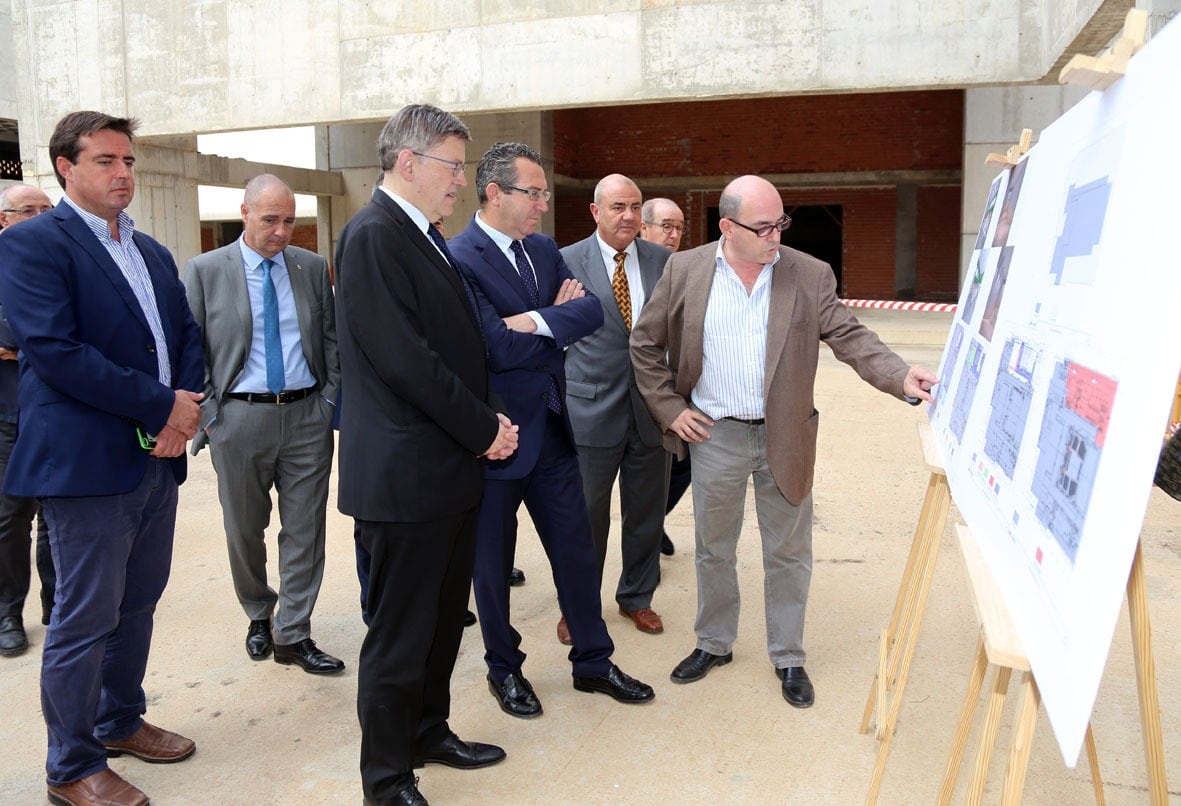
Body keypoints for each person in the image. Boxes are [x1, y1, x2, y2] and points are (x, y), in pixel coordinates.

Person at [630, 175, 937, 709]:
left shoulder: (808, 274)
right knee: (713, 549)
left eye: (781, 223)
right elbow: (645, 342)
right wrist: (670, 408)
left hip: (786, 433)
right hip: (715, 433)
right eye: (764, 226)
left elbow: (850, 336)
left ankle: (788, 655)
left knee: (789, 553)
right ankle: (714, 642)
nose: (776, 235)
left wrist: (899, 376)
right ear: (728, 227)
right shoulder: (686, 270)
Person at [0, 111, 205, 806]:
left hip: (156, 461)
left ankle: (119, 721)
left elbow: (184, 333)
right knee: (84, 620)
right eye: (107, 161)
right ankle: (71, 765)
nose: (124, 174)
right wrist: (160, 406)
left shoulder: (150, 252)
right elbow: (55, 353)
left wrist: (184, 409)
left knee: (137, 605)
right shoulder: (33, 244)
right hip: (85, 467)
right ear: (66, 166)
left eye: (129, 162)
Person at [334, 104, 518, 806]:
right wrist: (483, 428)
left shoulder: (423, 235)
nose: (462, 183)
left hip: (445, 472)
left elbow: (450, 346)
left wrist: (479, 424)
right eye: (452, 167)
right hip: (405, 480)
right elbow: (406, 361)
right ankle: (385, 778)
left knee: (443, 621)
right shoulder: (374, 237)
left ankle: (426, 732)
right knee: (399, 636)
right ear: (406, 162)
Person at [449, 143, 655, 720]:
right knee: (492, 566)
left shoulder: (541, 249)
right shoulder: (459, 257)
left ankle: (593, 661)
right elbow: (494, 345)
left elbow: (590, 313)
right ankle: (504, 670)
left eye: (543, 193)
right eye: (533, 193)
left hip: (555, 432)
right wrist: (552, 324)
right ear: (494, 193)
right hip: (495, 439)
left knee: (576, 551)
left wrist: (536, 322)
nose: (543, 204)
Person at [183, 175, 343, 675]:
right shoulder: (205, 270)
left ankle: (294, 632)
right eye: (270, 218)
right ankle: (259, 611)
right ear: (245, 211)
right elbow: (190, 351)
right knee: (244, 529)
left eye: (289, 219)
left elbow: (332, 339)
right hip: (239, 417)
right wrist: (212, 414)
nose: (281, 231)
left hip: (305, 416)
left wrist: (328, 400)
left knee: (305, 529)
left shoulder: (311, 267)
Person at [560, 174, 671, 641]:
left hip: (651, 411)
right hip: (590, 412)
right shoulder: (563, 261)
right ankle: (578, 606)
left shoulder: (666, 262)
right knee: (585, 517)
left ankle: (637, 598)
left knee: (646, 514)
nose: (628, 215)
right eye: (618, 206)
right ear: (596, 211)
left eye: (635, 207)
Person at [0, 184, 56, 657]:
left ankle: (57, 606)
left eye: (45, 209)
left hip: (58, 413)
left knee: (57, 517)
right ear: (4, 219)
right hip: (6, 415)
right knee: (10, 518)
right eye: (26, 211)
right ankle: (6, 612)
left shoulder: (61, 264)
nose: (38, 217)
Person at [638, 197, 688, 557]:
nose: (673, 235)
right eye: (666, 226)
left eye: (679, 228)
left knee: (684, 465)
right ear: (644, 228)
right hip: (632, 385)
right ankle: (647, 528)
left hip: (674, 386)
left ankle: (655, 522)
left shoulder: (686, 269)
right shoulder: (631, 268)